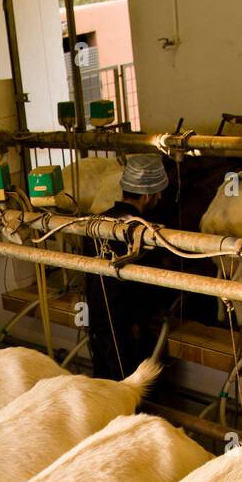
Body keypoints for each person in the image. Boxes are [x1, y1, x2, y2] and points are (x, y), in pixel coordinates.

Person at [86, 154, 172, 379]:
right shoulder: (143, 232)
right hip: (128, 329)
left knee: (104, 384)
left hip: (97, 322)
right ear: (145, 196)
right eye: (157, 192)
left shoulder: (96, 223)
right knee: (129, 389)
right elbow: (149, 289)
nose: (160, 196)